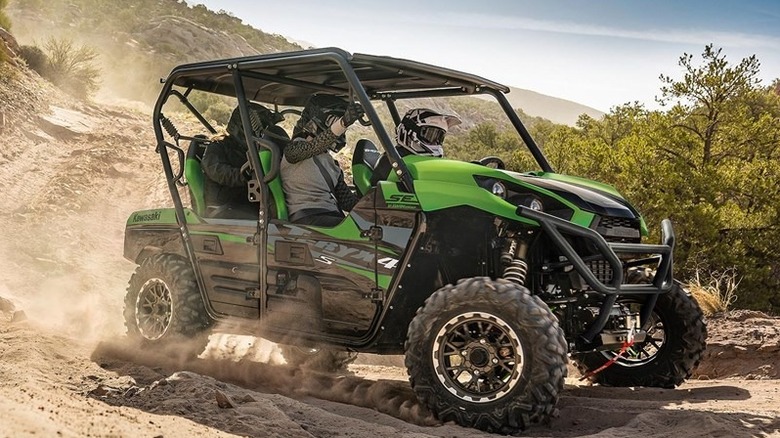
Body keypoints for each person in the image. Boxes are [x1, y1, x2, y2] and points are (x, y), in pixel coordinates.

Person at [281, 94, 365, 226]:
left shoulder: (330, 162)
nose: (342, 132)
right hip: (307, 220)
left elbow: (348, 202)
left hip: (332, 219)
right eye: (334, 122)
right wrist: (343, 123)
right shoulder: (293, 149)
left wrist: (377, 201)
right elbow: (312, 147)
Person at [201, 102, 283, 218]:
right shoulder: (218, 146)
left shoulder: (256, 150)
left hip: (248, 205)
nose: (262, 135)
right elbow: (219, 172)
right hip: (225, 208)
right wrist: (246, 175)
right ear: (242, 128)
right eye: (259, 130)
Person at [371, 108, 461, 185]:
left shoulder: (414, 160)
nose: (435, 142)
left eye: (439, 137)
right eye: (430, 135)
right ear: (408, 132)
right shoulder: (392, 160)